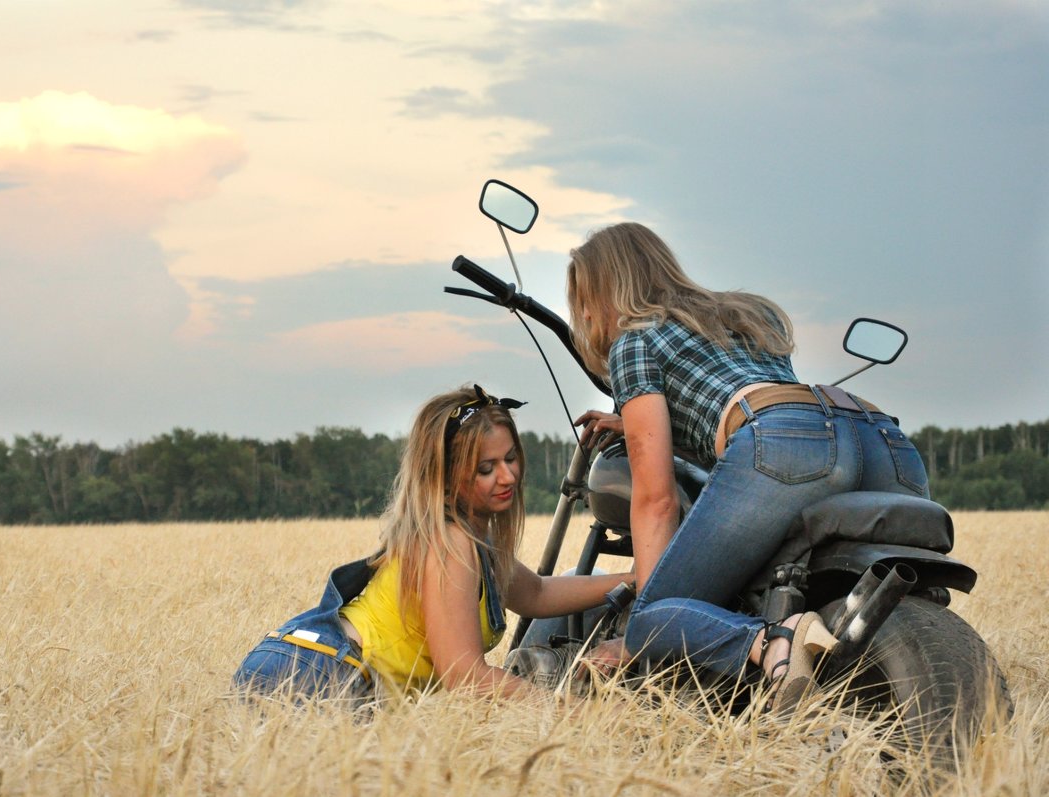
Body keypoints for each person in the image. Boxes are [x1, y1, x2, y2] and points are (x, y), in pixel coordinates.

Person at [565, 222, 930, 707]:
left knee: (652, 619)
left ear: (602, 296)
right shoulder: (748, 314)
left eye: (584, 302)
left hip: (785, 439)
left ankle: (775, 640)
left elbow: (656, 499)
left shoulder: (634, 340)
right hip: (882, 437)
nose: (585, 314)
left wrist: (648, 626)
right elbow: (749, 405)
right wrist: (634, 425)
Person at [233, 384, 634, 703]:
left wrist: (634, 577)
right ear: (444, 476)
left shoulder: (473, 536)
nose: (508, 476)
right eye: (485, 468)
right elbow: (464, 674)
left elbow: (537, 594)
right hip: (314, 676)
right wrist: (564, 711)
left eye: (511, 458)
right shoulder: (451, 541)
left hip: (307, 665)